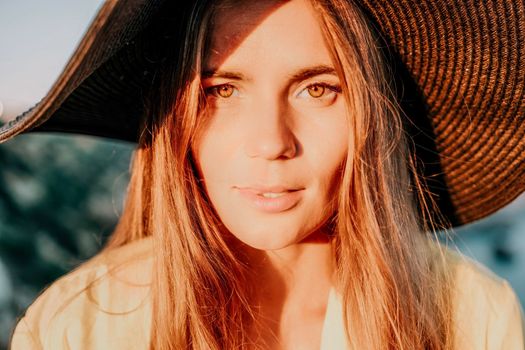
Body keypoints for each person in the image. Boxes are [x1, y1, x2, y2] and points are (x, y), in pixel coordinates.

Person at [3, 0, 525, 349]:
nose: (272, 142)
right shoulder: (79, 327)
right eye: (222, 91)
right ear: (174, 115)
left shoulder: (469, 317)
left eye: (318, 89)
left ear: (372, 115)